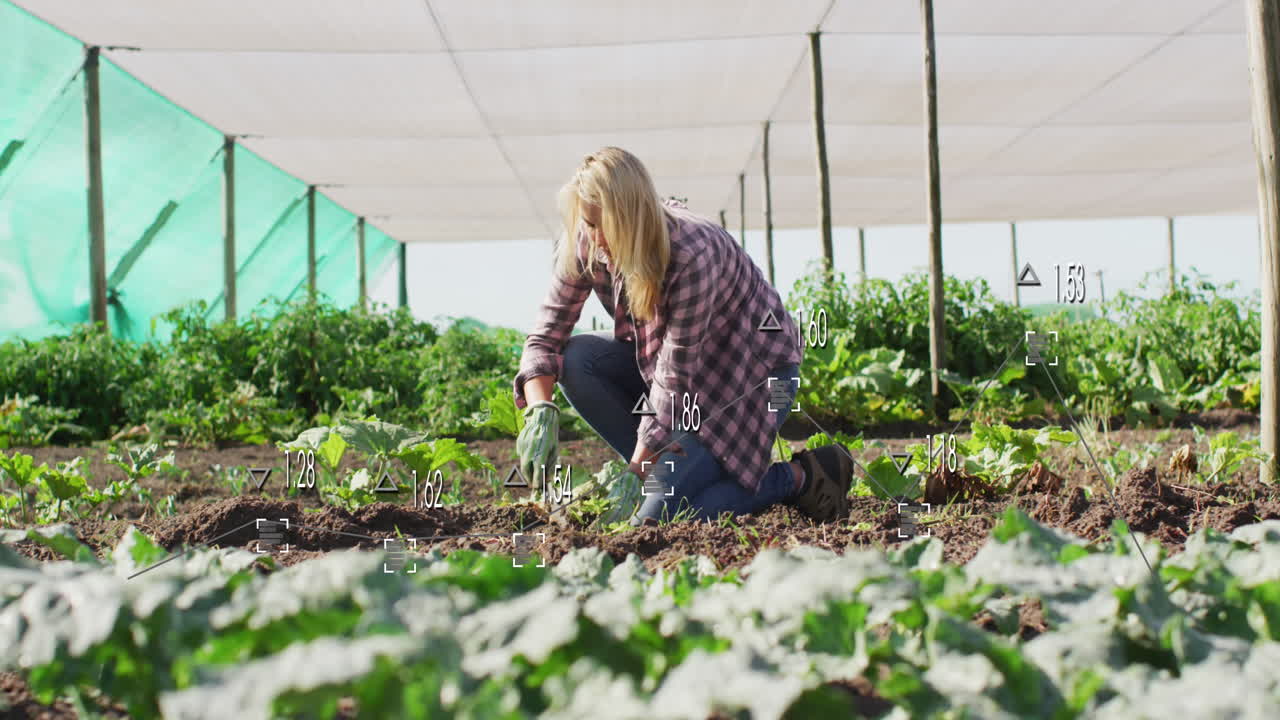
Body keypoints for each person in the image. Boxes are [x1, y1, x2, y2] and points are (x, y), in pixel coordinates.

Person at [512, 147, 853, 525]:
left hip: (753, 380)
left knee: (656, 521)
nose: (595, 237)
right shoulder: (588, 238)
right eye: (588, 224)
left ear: (630, 218)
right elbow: (547, 334)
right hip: (679, 385)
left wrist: (639, 468)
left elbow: (674, 377)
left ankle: (800, 477)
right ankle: (674, 476)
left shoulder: (691, 254)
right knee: (578, 359)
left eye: (602, 225)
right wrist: (540, 410)